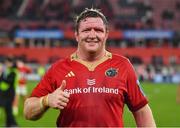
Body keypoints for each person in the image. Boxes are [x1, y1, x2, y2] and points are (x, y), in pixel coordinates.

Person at [24, 8, 156, 127]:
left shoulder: (123, 65)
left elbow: (142, 110)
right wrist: (46, 100)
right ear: (76, 35)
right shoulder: (58, 68)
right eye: (86, 30)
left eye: (98, 30)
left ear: (106, 34)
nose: (92, 35)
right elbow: (28, 111)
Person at [0, 57, 18, 127]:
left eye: (8, 62)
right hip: (5, 92)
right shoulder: (8, 70)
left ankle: (13, 124)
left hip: (9, 93)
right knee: (7, 110)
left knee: (8, 110)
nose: (6, 64)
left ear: (11, 63)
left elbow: (10, 81)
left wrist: (1, 76)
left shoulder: (13, 71)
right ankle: (9, 124)